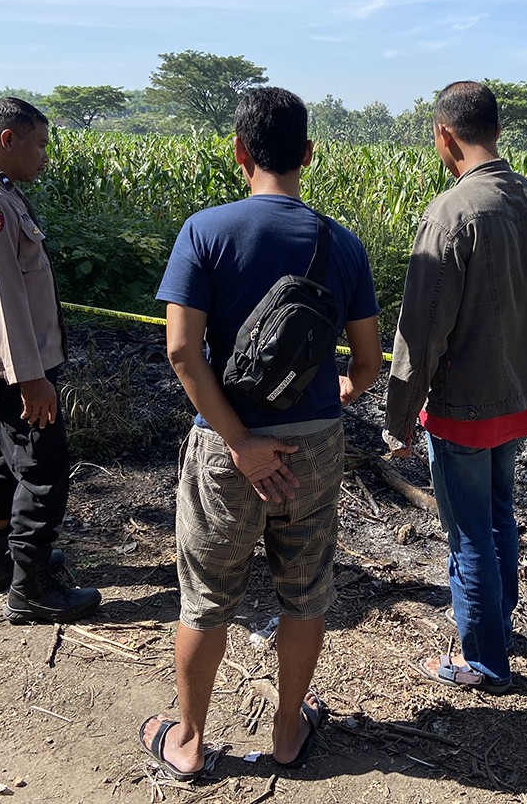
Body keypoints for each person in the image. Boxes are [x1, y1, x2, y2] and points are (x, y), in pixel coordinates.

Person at [139, 86, 381, 779]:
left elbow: (183, 353)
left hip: (226, 444)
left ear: (240, 152)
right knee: (305, 592)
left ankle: (187, 740)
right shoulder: (342, 243)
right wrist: (336, 393)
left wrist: (241, 442)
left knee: (207, 595)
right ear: (308, 154)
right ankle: (286, 731)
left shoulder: (205, 231)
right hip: (316, 441)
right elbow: (365, 364)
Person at [384, 81, 527, 694]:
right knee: (498, 514)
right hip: (521, 393)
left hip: (465, 401)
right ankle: (498, 628)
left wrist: (400, 416)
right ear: (495, 128)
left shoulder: (451, 214)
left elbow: (422, 329)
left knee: (468, 530)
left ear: (444, 136)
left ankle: (483, 657)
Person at [0, 97, 101, 624]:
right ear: (8, 139)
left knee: (3, 460)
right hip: (13, 365)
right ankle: (30, 589)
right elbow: (4, 296)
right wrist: (31, 380)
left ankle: (0, 564)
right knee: (43, 470)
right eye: (39, 145)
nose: (45, 158)